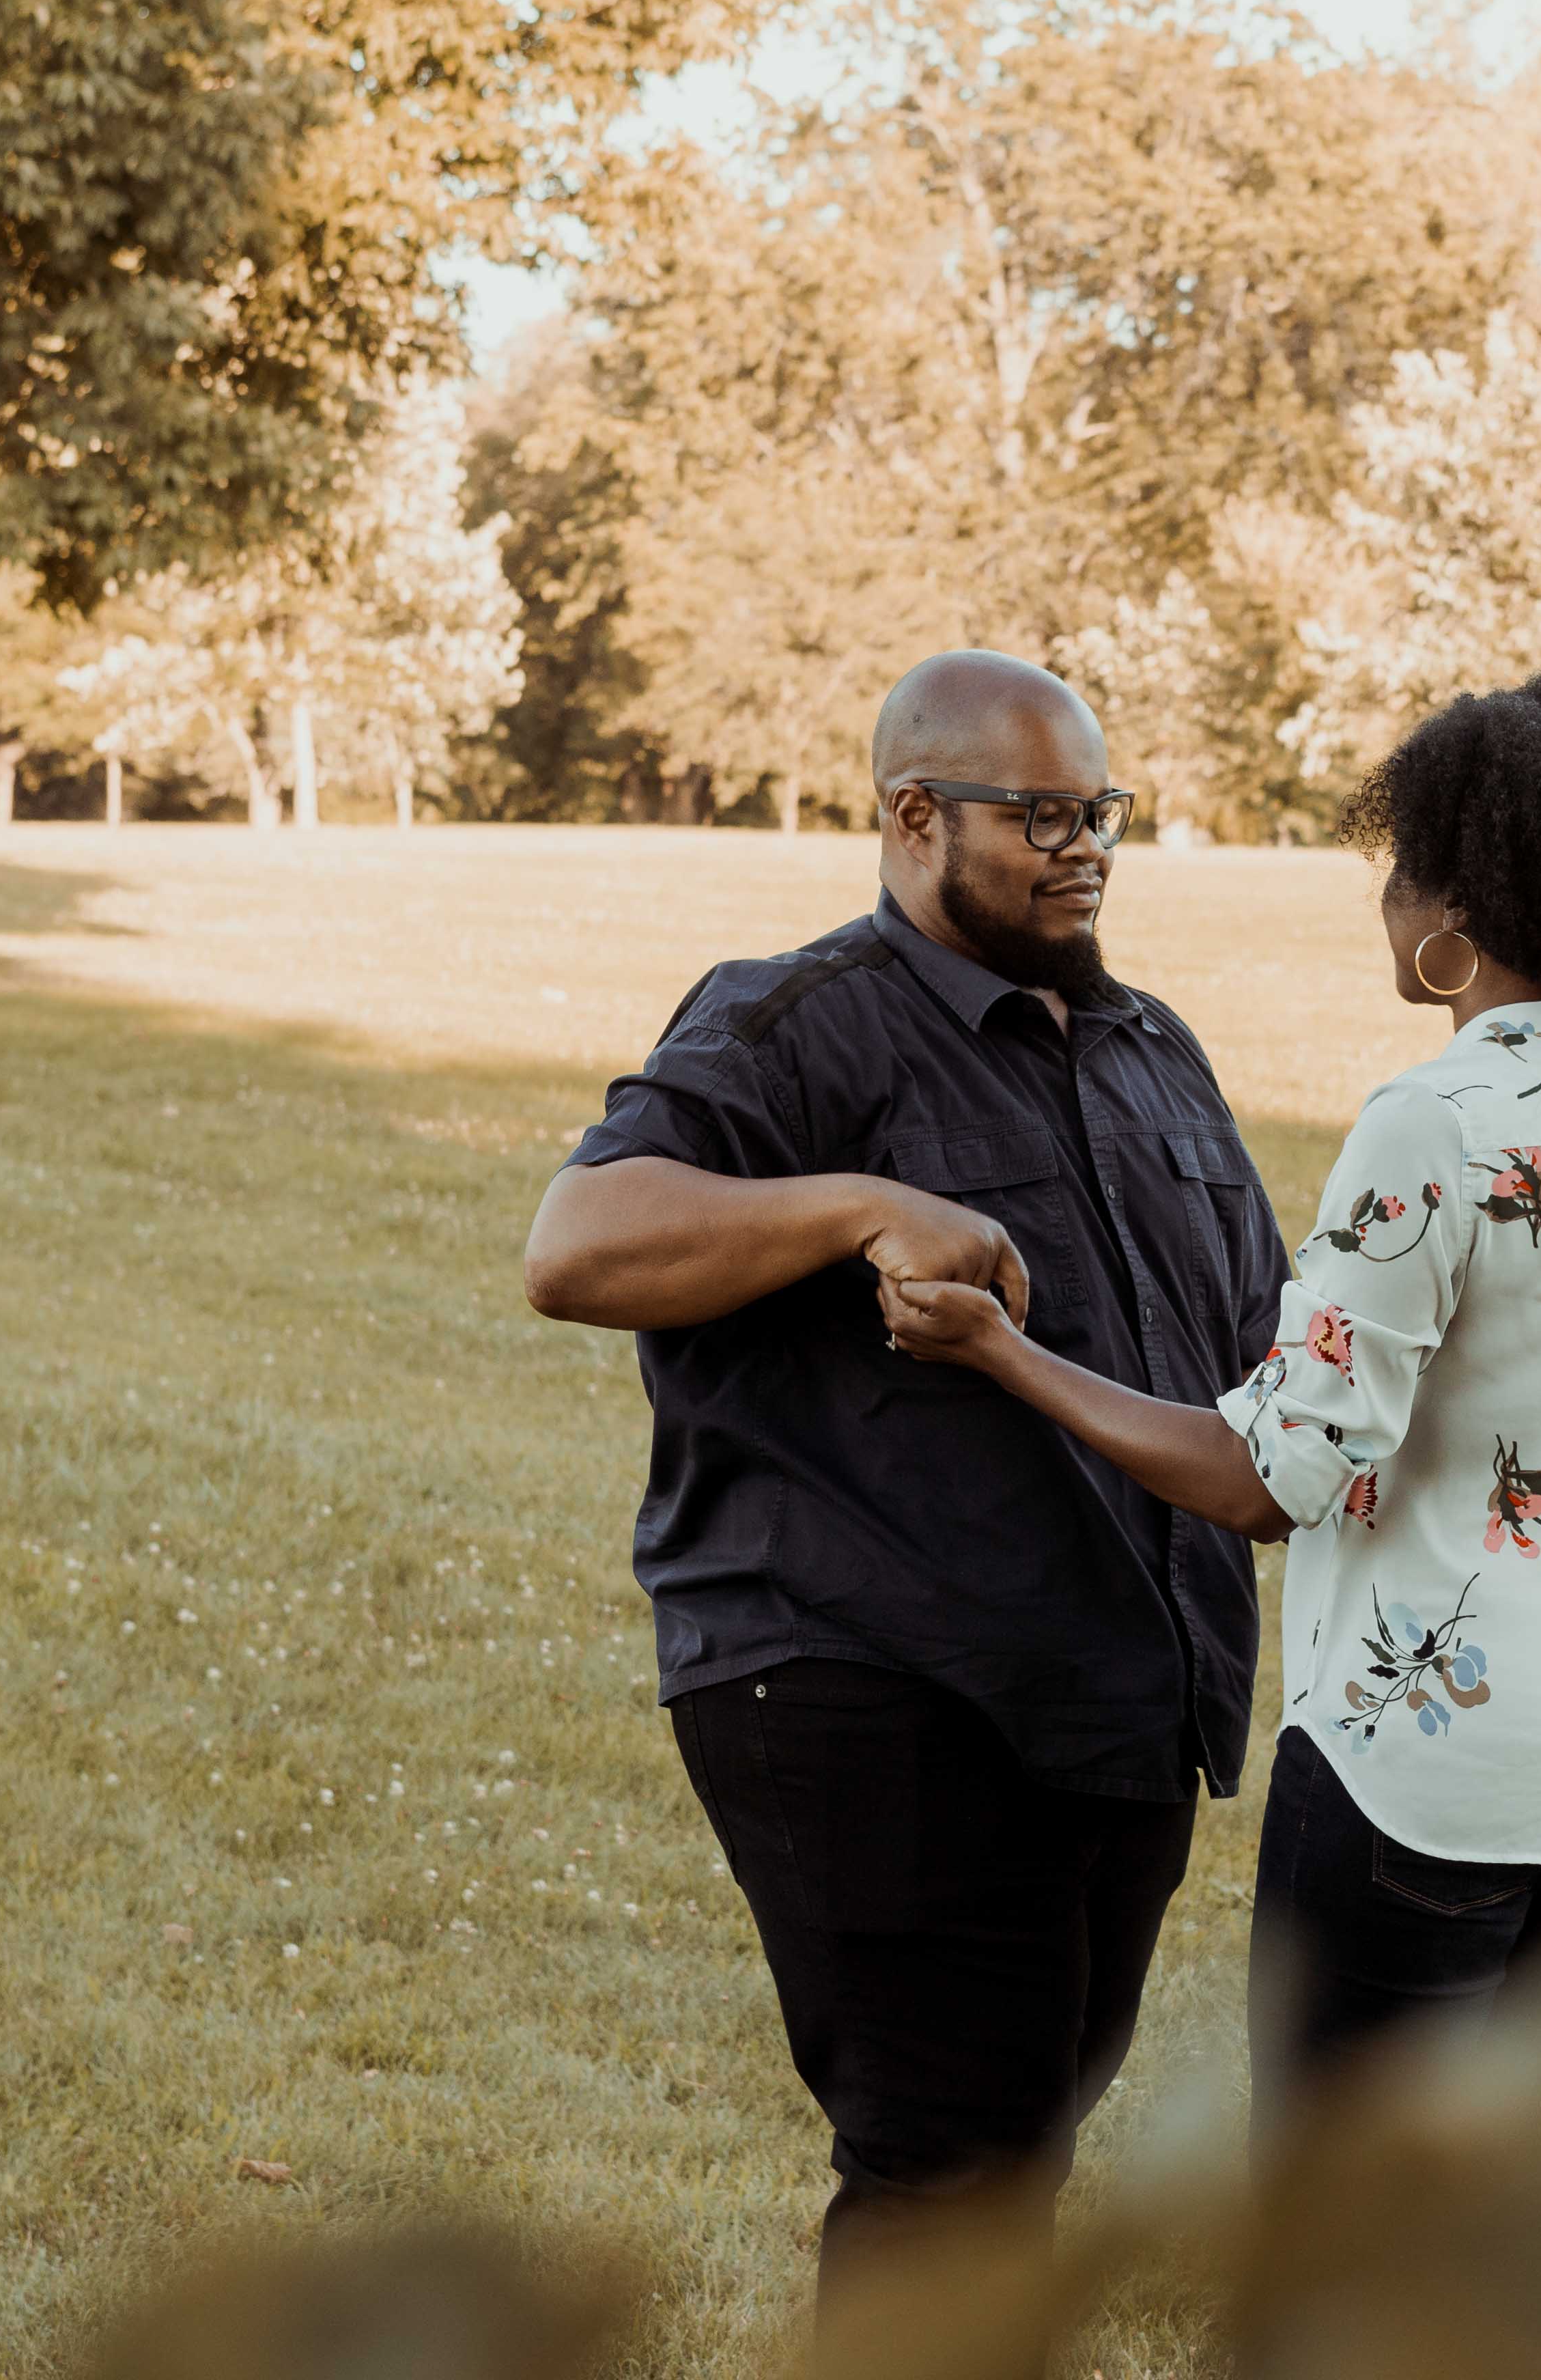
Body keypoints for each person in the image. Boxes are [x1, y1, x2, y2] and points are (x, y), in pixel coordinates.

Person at [878, 667, 1541, 2114]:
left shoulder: (1437, 1120)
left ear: (1452, 921)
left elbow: (1270, 1475)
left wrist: (1000, 1354)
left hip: (1433, 1771)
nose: (1384, 902)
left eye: (1397, 868)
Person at [520, 649, 1288, 2286]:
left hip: (1120, 1697)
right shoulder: (796, 1021)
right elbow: (578, 1249)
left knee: (1016, 2164)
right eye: (1046, 815)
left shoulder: (1153, 1051)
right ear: (913, 816)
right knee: (950, 2175)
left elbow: (1258, 1341)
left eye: (1106, 812)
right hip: (875, 1681)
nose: (1086, 847)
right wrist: (855, 1201)